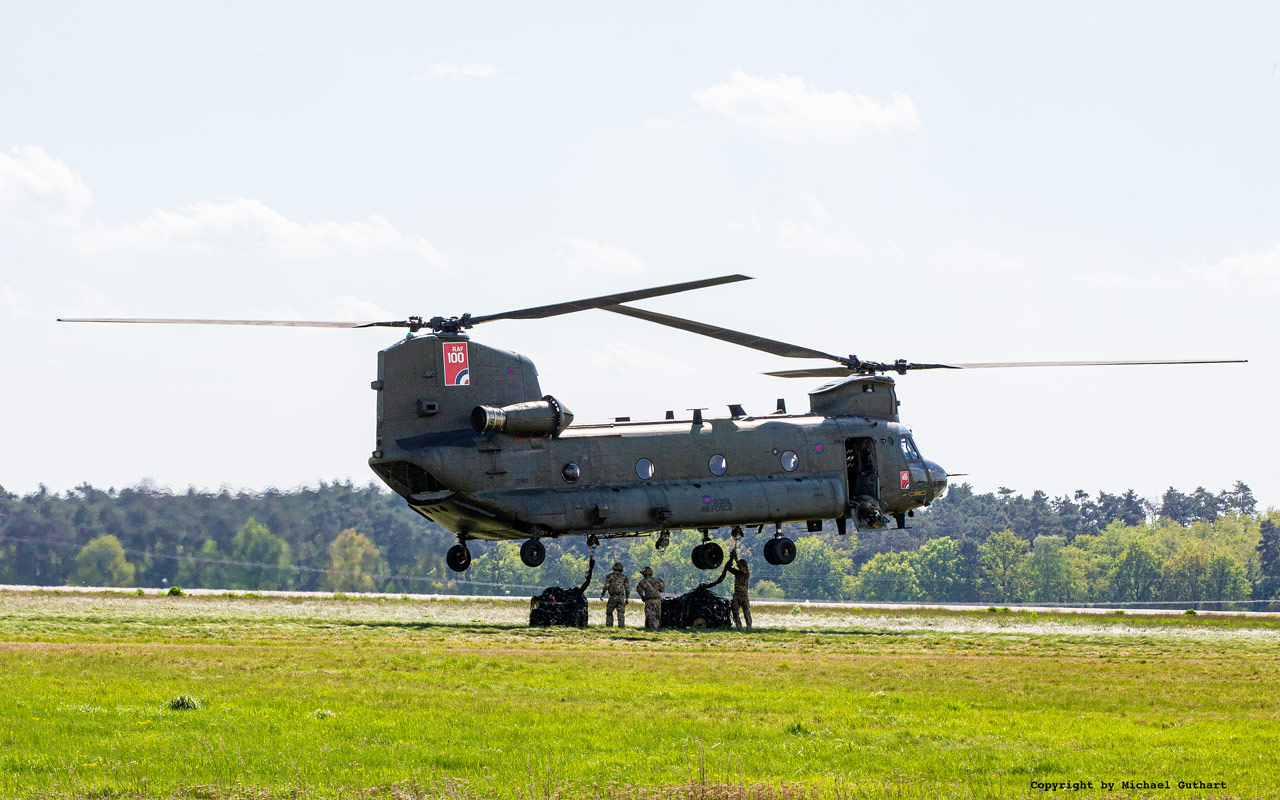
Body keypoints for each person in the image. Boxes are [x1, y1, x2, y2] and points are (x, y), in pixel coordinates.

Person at [726, 552, 752, 630]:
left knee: (746, 612)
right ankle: (739, 626)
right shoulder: (737, 573)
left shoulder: (746, 573)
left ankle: (749, 627)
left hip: (744, 596)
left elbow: (741, 568)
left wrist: (736, 559)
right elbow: (728, 568)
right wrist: (731, 559)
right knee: (735, 612)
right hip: (737, 595)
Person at [600, 561, 630, 627]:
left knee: (609, 612)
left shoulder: (609, 576)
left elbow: (606, 586)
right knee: (621, 613)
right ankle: (621, 627)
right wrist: (627, 598)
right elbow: (627, 588)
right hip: (621, 597)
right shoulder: (624, 577)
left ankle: (609, 626)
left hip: (612, 597)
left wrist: (602, 594)